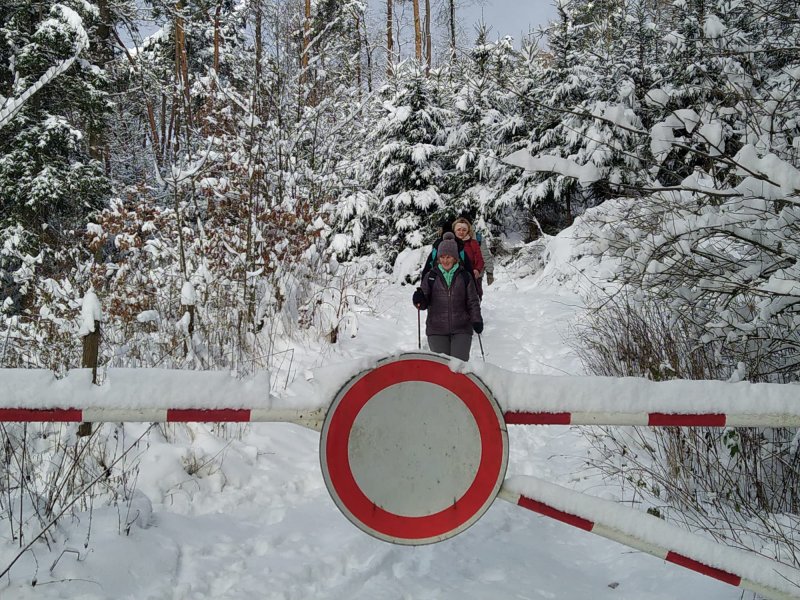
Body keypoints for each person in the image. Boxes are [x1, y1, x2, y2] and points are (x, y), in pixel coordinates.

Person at [412, 232, 483, 361]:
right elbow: (423, 302)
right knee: (441, 373)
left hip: (462, 328)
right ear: (438, 258)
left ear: (455, 258)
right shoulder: (431, 277)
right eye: (442, 257)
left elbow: (472, 301)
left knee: (459, 368)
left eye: (449, 257)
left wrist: (477, 320)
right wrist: (419, 299)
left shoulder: (465, 276)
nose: (445, 260)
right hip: (436, 330)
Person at [452, 217, 485, 298]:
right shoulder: (450, 243)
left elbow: (480, 259)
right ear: (454, 231)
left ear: (468, 231)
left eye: (464, 230)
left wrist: (477, 270)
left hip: (471, 276)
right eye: (459, 229)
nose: (461, 232)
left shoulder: (473, 243)